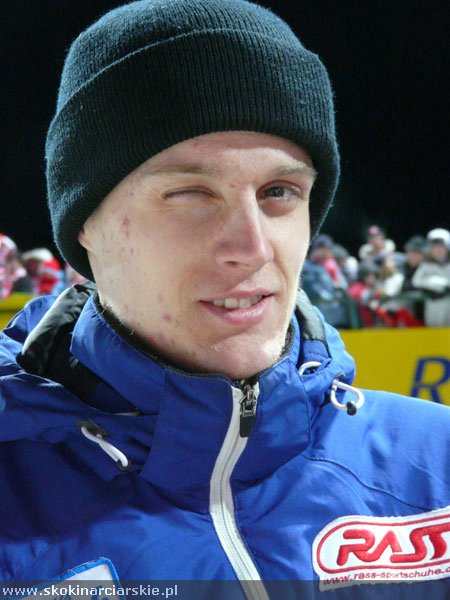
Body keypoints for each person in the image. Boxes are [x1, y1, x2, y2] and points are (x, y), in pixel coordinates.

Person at [0, 1, 449, 597]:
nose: (252, 246)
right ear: (86, 225)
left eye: (279, 191)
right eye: (190, 193)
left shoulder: (436, 463)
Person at [412, 228, 450, 327]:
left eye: (441, 247)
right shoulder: (426, 265)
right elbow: (416, 281)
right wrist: (437, 283)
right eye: (434, 247)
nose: (438, 250)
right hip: (434, 304)